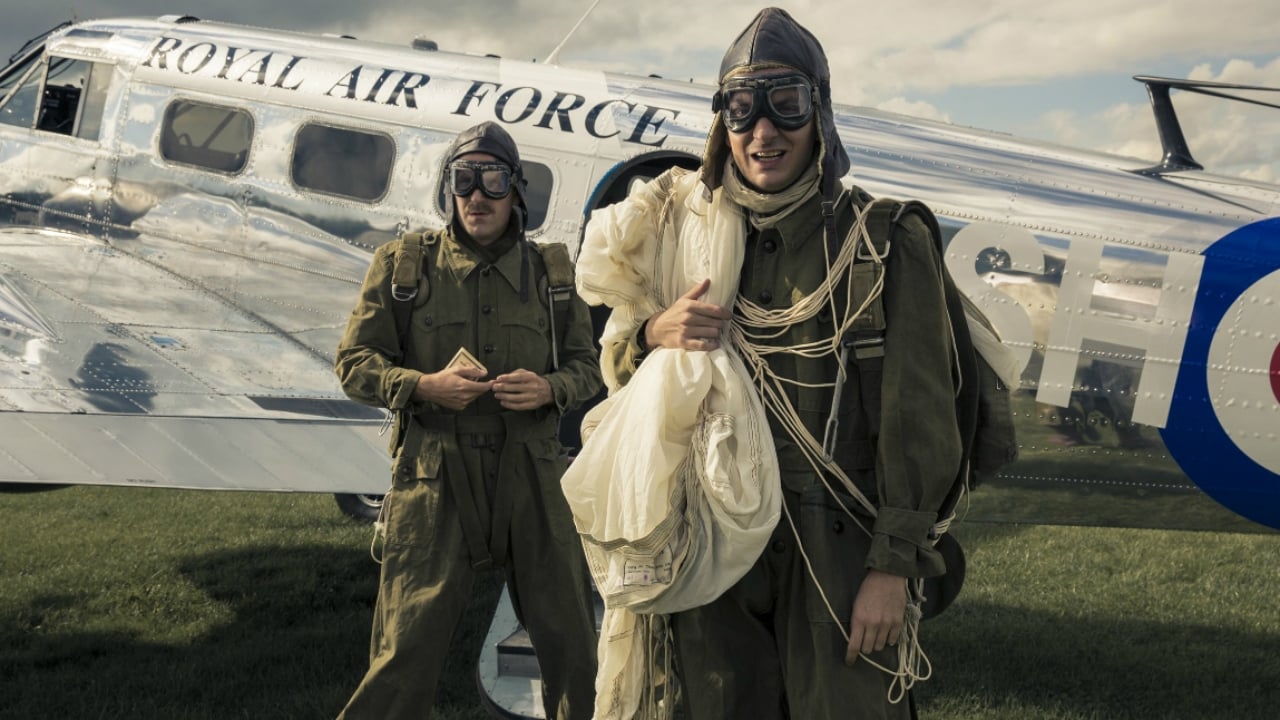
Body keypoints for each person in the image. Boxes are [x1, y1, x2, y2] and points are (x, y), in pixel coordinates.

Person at [570, 8, 963, 719]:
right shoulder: (676, 233)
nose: (763, 132)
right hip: (713, 551)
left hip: (838, 552)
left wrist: (892, 569)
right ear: (722, 123)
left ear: (822, 113)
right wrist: (655, 331)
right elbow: (624, 380)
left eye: (788, 104)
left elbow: (922, 422)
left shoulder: (882, 241)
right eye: (742, 109)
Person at [334, 121, 600, 720]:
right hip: (434, 477)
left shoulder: (553, 275)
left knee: (574, 647)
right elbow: (353, 365)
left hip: (532, 474)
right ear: (448, 190)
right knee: (405, 650)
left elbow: (590, 366)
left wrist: (550, 387)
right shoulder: (403, 267)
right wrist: (422, 385)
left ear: (516, 191)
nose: (477, 195)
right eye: (463, 179)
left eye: (492, 179)